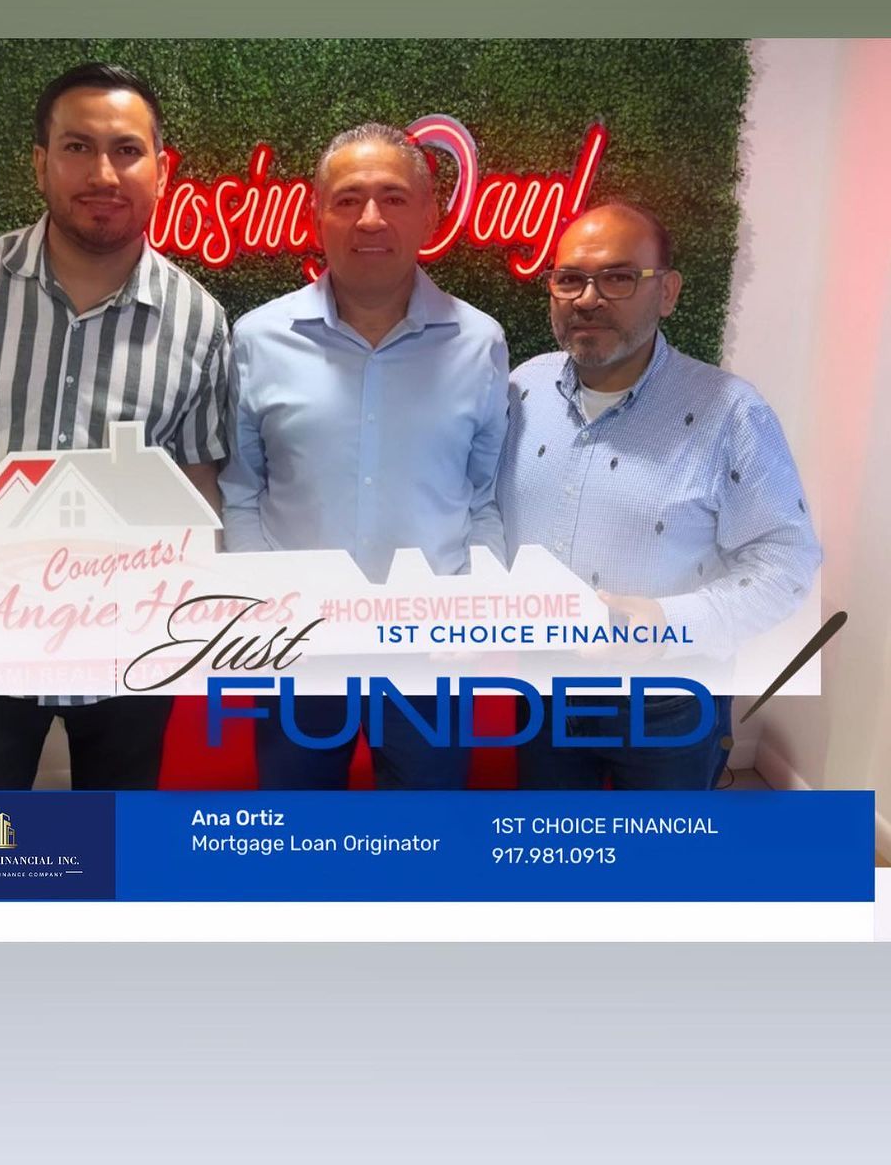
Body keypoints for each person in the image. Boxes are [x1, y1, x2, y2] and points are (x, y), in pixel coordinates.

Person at [0, 62, 228, 790]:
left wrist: (182, 624)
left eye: (127, 149)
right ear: (40, 163)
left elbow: (200, 491)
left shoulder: (200, 319)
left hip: (132, 657)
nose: (103, 171)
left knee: (117, 864)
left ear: (160, 167)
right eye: (76, 147)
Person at [219, 122, 509, 788]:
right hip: (298, 648)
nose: (370, 218)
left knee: (425, 847)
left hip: (432, 656)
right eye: (347, 199)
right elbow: (240, 489)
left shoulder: (480, 343)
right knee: (297, 840)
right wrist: (267, 611)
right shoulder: (257, 339)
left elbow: (483, 496)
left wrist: (481, 610)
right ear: (315, 214)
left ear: (430, 211)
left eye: (394, 198)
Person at [496, 202, 821, 790]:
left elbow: (787, 562)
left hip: (667, 703)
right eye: (569, 278)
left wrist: (668, 624)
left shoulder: (731, 412)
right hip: (541, 691)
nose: (587, 298)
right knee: (551, 855)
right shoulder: (523, 388)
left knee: (662, 870)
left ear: (667, 292)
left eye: (619, 277)